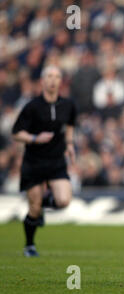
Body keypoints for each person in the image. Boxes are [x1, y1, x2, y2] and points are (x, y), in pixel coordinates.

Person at [12, 65, 77, 257]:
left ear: (60, 81)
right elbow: (16, 133)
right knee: (33, 208)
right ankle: (29, 245)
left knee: (64, 200)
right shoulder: (32, 107)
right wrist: (34, 138)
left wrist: (70, 144)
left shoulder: (68, 105)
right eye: (49, 76)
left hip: (56, 161)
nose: (53, 80)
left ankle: (41, 204)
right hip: (34, 162)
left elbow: (70, 125)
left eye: (57, 76)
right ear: (42, 81)